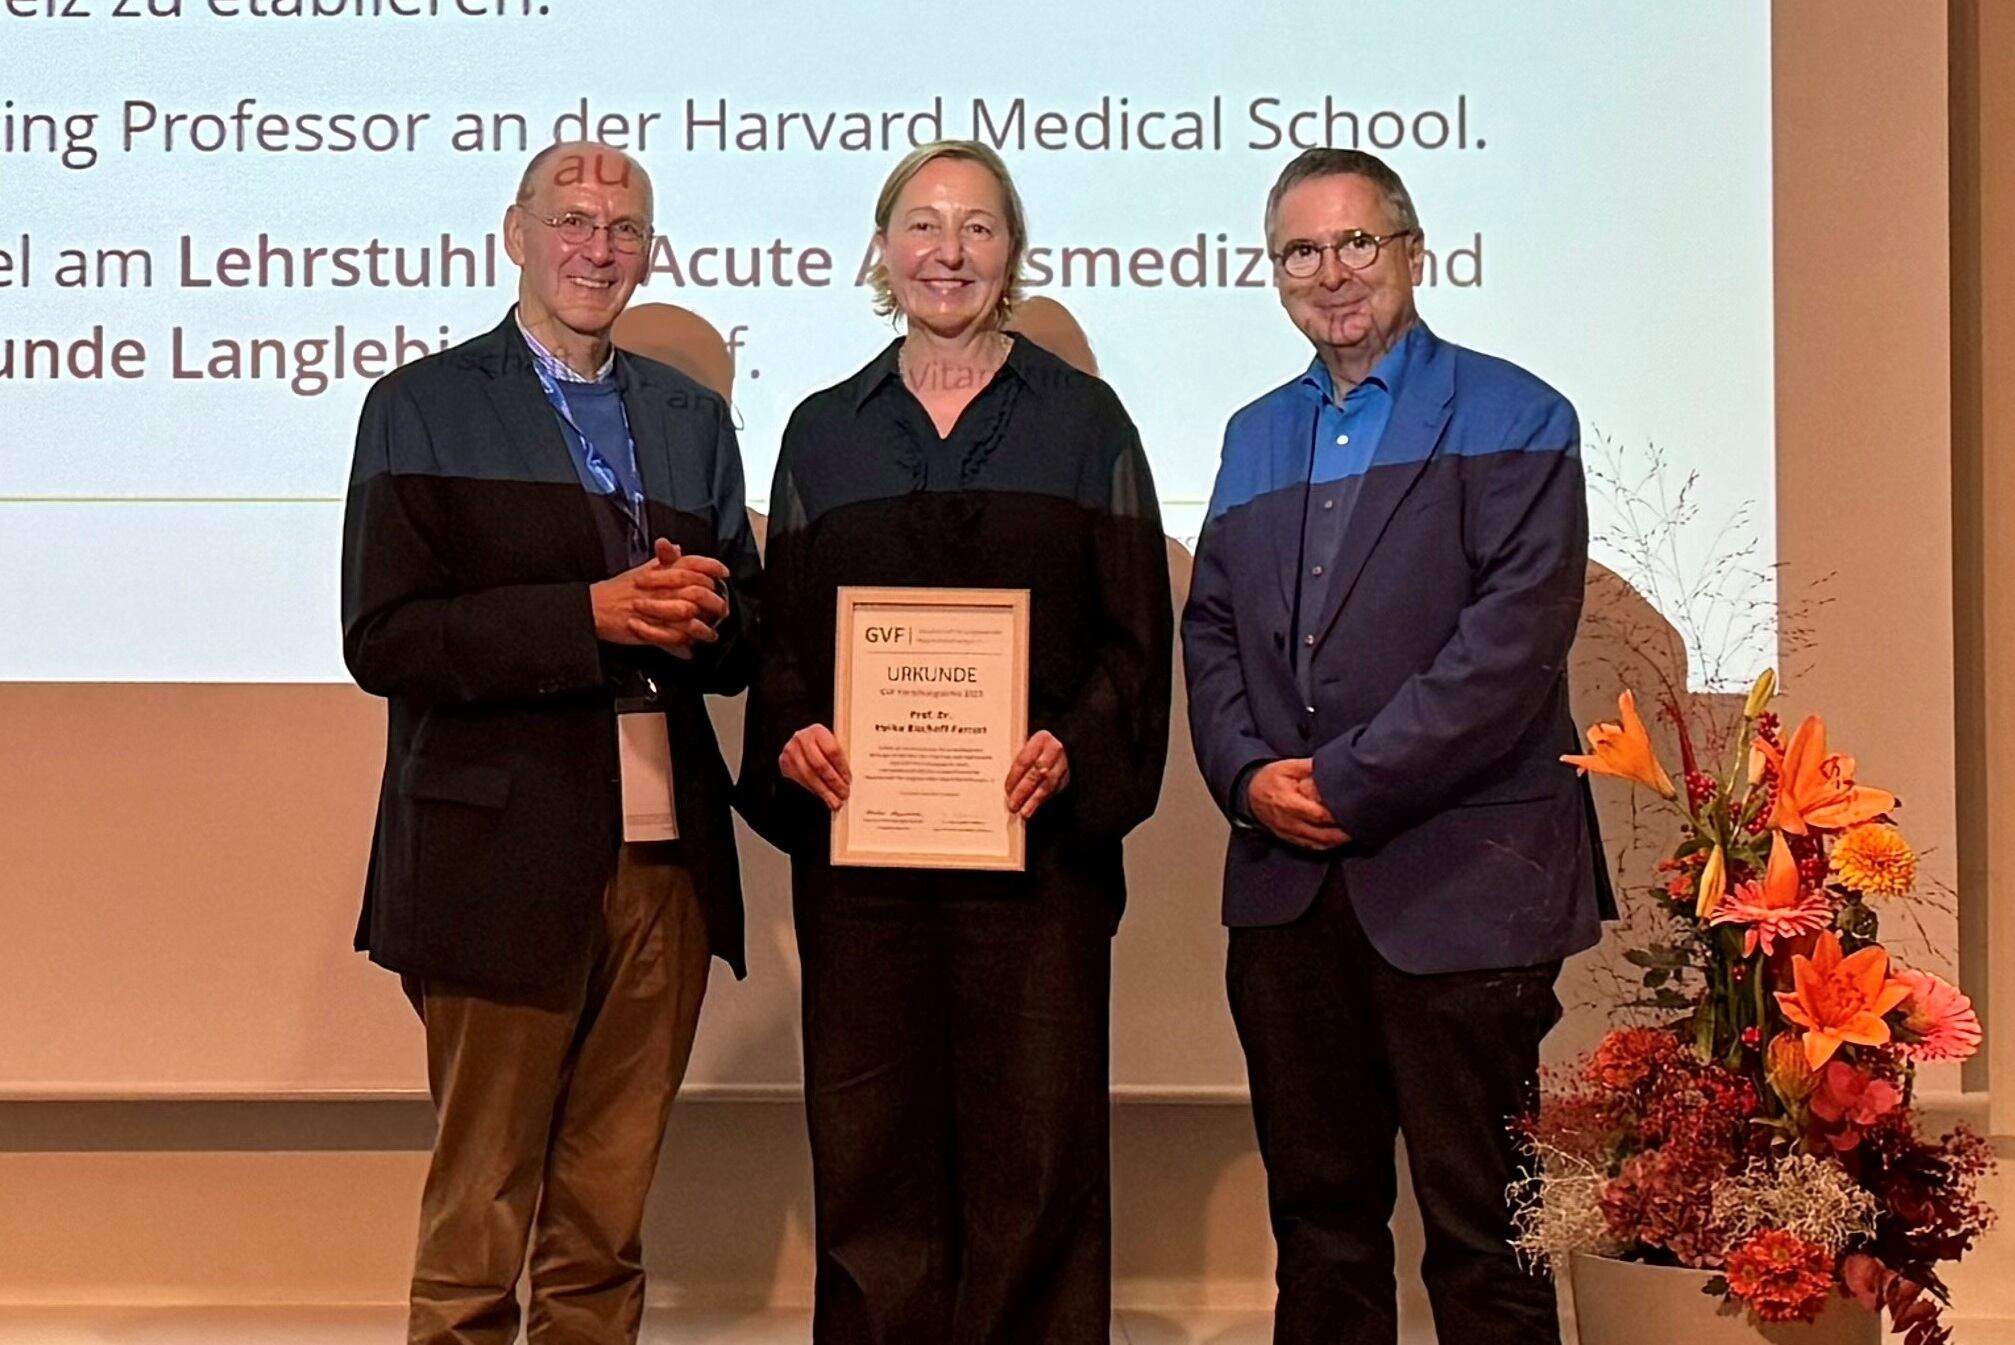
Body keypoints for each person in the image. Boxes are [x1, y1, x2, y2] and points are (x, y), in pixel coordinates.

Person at [737, 140, 1172, 1344]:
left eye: (978, 229)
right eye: (923, 226)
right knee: (869, 1149)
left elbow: (1137, 635)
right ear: (882, 251)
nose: (949, 252)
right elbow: (780, 644)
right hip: (863, 870)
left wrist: (1074, 745)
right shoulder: (822, 432)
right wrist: (796, 737)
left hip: (1035, 863)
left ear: (1011, 253)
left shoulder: (1085, 424)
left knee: (1035, 1148)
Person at [1181, 147, 1613, 1345]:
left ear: (1413, 252)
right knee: (1318, 1228)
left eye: (1355, 243)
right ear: (1274, 276)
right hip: (1285, 894)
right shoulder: (1251, 435)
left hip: (1460, 886)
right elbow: (1210, 627)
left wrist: (1344, 784)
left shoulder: (1517, 414)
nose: (1331, 274)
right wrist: (1242, 775)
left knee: (1484, 1235)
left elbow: (1508, 648)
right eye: (1301, 252)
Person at [340, 141, 761, 1345]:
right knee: (478, 1221)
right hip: (497, 858)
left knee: (606, 1224)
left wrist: (712, 613)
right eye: (571, 221)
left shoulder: (689, 419)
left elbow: (743, 637)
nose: (597, 247)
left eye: (622, 228)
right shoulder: (420, 404)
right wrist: (586, 616)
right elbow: (384, 636)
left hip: (666, 863)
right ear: (514, 233)